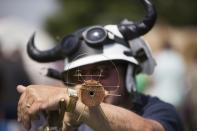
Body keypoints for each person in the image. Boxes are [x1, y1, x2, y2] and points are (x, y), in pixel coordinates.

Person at [17, 0, 184, 131]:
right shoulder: (70, 116)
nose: (90, 83)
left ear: (128, 73)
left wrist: (72, 100)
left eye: (101, 71)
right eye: (80, 75)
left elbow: (146, 129)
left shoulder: (159, 111)